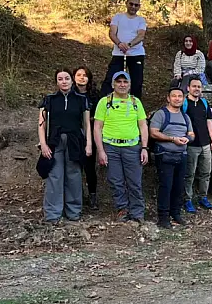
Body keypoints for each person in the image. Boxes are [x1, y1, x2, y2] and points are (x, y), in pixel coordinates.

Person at [94, 71, 148, 223]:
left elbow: (143, 125)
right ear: (113, 84)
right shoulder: (104, 102)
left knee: (135, 182)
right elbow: (97, 127)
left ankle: (137, 212)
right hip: (111, 147)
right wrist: (101, 151)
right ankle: (122, 209)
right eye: (119, 82)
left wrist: (144, 147)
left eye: (125, 82)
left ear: (130, 85)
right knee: (115, 180)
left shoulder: (136, 102)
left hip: (132, 147)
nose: (122, 84)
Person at [38, 69, 92, 223]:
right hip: (55, 141)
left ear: (71, 80)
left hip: (75, 142)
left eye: (67, 78)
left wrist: (88, 144)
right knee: (54, 176)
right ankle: (53, 214)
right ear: (56, 82)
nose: (64, 81)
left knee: (74, 176)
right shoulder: (49, 99)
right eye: (60, 79)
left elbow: (87, 124)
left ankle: (74, 211)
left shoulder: (81, 99)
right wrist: (43, 144)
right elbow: (42, 124)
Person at [149, 88, 194, 229]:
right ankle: (163, 217)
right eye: (174, 96)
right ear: (168, 98)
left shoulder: (185, 117)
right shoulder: (161, 114)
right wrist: (172, 139)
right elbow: (153, 133)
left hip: (182, 156)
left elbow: (192, 134)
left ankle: (176, 213)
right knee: (166, 186)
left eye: (180, 96)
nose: (177, 99)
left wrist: (186, 139)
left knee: (179, 186)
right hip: (165, 155)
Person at [181, 78, 212, 213]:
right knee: (189, 174)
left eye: (199, 87)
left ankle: (203, 197)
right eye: (194, 86)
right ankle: (187, 199)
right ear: (188, 88)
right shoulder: (184, 103)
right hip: (191, 145)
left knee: (206, 172)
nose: (197, 89)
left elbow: (209, 122)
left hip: (206, 144)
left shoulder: (204, 103)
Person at [101, 0, 147, 98]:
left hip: (136, 54)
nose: (133, 7)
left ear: (139, 6)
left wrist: (129, 45)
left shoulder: (141, 20)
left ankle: (135, 107)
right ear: (126, 4)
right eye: (131, 4)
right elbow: (112, 33)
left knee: (137, 82)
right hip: (119, 53)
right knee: (110, 79)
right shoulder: (118, 17)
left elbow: (141, 35)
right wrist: (119, 44)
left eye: (136, 5)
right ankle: (103, 105)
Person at [73, 66, 101, 210]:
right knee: (75, 166)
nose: (82, 77)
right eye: (78, 75)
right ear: (74, 77)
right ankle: (77, 195)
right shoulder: (69, 94)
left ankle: (92, 195)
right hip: (73, 134)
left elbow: (99, 117)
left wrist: (87, 119)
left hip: (90, 134)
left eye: (85, 75)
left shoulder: (95, 96)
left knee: (89, 166)